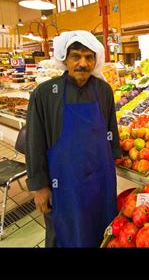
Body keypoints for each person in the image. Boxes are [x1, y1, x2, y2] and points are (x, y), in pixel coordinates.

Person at [25, 30, 121, 247]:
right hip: (64, 185)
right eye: (76, 56)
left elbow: (110, 131)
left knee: (102, 231)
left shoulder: (104, 90)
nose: (82, 63)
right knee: (66, 234)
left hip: (100, 181)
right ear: (65, 59)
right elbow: (34, 142)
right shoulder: (45, 94)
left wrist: (117, 158)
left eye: (89, 57)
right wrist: (39, 186)